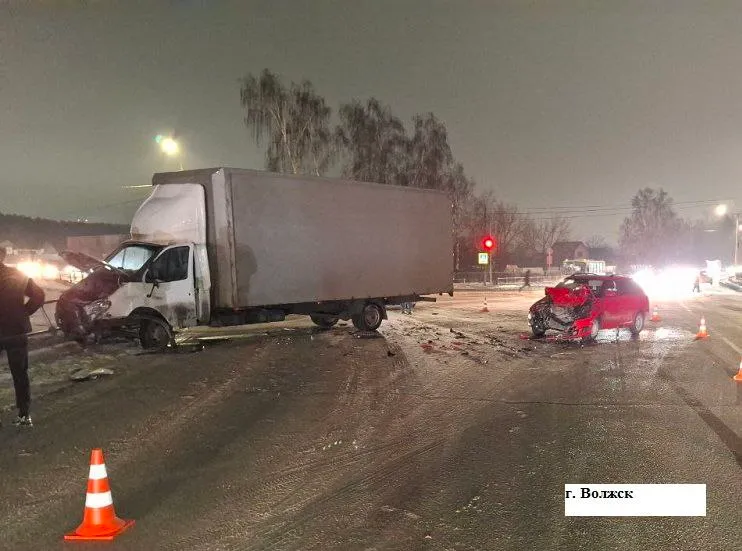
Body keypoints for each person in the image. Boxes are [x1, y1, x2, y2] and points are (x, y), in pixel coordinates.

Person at [0, 247, 45, 427]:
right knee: (19, 373)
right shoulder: (17, 274)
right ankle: (24, 414)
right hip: (16, 330)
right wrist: (24, 312)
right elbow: (39, 295)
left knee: (19, 373)